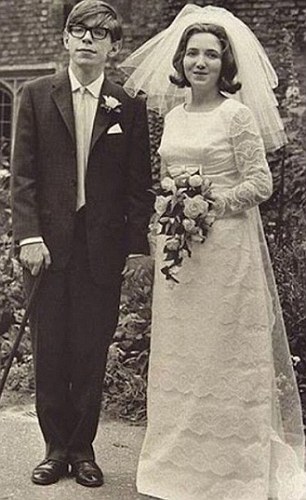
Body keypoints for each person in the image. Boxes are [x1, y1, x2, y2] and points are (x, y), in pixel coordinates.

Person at [120, 5, 306, 500]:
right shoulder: (174, 115)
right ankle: (176, 466)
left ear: (225, 64)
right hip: (179, 252)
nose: (201, 62)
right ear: (180, 60)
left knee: (223, 352)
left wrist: (211, 203)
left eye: (211, 54)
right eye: (193, 53)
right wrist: (174, 208)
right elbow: (165, 178)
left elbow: (260, 183)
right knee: (183, 354)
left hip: (226, 249)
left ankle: (231, 472)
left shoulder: (237, 114)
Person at [11, 0, 152, 488]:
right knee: (50, 349)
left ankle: (84, 449)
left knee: (91, 351)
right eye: (79, 31)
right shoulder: (33, 95)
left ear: (114, 46)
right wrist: (28, 236)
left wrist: (136, 248)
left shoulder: (128, 105)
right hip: (45, 249)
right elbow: (23, 177)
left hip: (102, 252)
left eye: (100, 33)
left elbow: (139, 186)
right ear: (66, 40)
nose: (88, 39)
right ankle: (54, 449)